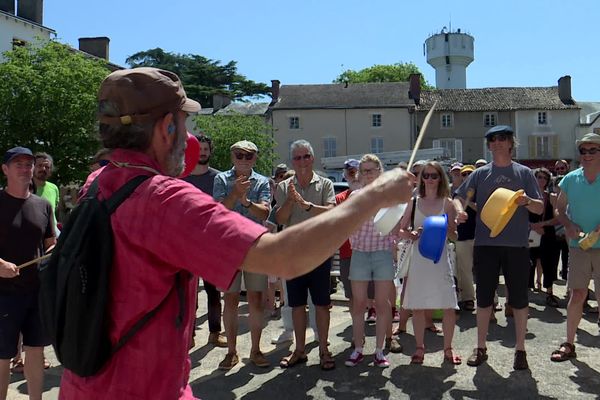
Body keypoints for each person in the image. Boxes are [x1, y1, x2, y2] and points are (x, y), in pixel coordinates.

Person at [58, 67, 414, 399]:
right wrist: (376, 195)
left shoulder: (97, 183)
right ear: (167, 127)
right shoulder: (162, 198)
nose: (190, 135)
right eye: (185, 122)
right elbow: (283, 257)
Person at [454, 125, 543, 370]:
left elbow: (539, 208)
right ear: (489, 145)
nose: (497, 143)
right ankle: (481, 347)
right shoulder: (480, 174)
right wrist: (460, 212)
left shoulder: (524, 173)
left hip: (516, 245)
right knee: (484, 299)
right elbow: (459, 197)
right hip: (486, 244)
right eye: (492, 139)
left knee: (519, 300)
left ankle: (520, 350)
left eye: (502, 138)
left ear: (511, 143)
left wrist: (526, 201)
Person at [275, 140, 337, 371]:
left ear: (313, 158)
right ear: (293, 161)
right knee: (297, 305)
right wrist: (291, 201)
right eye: (298, 158)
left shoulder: (325, 184)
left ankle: (323, 348)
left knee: (322, 304)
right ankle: (299, 350)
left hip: (319, 253)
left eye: (306, 156)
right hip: (293, 254)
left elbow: (332, 212)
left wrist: (308, 206)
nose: (302, 161)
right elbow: (280, 219)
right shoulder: (283, 187)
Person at [0, 146, 56, 400]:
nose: (25, 169)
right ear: (5, 170)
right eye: (18, 164)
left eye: (28, 164)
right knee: (2, 356)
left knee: (36, 351)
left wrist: (56, 251)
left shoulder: (43, 205)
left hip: (36, 292)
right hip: (4, 295)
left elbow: (49, 243)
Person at [213, 139, 272, 370]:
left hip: (255, 246)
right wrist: (235, 194)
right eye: (240, 155)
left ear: (255, 158)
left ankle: (256, 349)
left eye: (249, 156)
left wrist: (245, 200)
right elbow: (217, 212)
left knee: (256, 299)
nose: (244, 160)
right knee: (230, 299)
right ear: (232, 157)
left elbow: (265, 211)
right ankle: (231, 351)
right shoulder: (221, 179)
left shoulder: (262, 181)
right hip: (228, 247)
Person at [399, 161, 461, 365]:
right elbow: (399, 230)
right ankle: (419, 347)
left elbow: (454, 235)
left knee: (449, 306)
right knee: (417, 306)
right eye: (426, 175)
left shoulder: (447, 203)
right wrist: (411, 234)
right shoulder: (413, 201)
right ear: (421, 178)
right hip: (419, 258)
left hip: (440, 258)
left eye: (434, 176)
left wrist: (449, 228)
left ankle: (448, 348)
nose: (430, 179)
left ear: (441, 178)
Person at [345, 154, 400, 369]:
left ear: (379, 171)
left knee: (382, 304)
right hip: (359, 253)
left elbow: (395, 228)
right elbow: (347, 222)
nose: (367, 174)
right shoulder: (355, 195)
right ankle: (358, 348)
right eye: (364, 170)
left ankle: (379, 351)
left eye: (371, 170)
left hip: (382, 254)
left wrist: (393, 239)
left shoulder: (389, 196)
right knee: (358, 304)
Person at [550, 133, 600, 362]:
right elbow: (558, 208)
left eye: (593, 150)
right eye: (583, 151)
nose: (587, 155)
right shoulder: (570, 178)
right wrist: (568, 225)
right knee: (577, 294)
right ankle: (569, 343)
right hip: (579, 245)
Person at [182, 135, 227, 348]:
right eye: (199, 149)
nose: (202, 152)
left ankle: (215, 332)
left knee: (213, 292)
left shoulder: (219, 178)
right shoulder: (181, 178)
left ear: (211, 151)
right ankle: (188, 335)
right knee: (187, 293)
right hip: (186, 244)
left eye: (206, 149)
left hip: (210, 243)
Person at [528, 167, 560, 306]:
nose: (541, 180)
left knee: (549, 264)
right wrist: (532, 226)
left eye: (544, 178)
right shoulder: (528, 197)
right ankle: (526, 295)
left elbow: (558, 218)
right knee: (528, 264)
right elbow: (520, 216)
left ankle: (549, 293)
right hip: (529, 233)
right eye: (539, 177)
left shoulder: (551, 197)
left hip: (547, 234)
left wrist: (542, 225)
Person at [454, 164, 476, 312]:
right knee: (465, 269)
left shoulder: (481, 192)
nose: (466, 176)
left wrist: (469, 203)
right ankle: (468, 298)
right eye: (464, 174)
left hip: (481, 235)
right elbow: (455, 207)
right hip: (462, 236)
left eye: (470, 174)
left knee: (484, 269)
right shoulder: (456, 193)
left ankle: (492, 301)